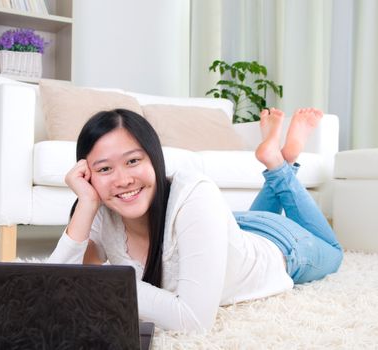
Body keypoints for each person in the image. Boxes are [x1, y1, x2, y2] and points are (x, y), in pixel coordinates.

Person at [48, 107, 343, 332]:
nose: (123, 180)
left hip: (283, 245)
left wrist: (108, 284)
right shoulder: (102, 208)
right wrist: (86, 203)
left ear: (154, 158)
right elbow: (49, 289)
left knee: (334, 253)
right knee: (242, 231)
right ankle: (283, 160)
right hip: (230, 230)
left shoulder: (194, 193)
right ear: (87, 173)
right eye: (104, 169)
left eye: (133, 161)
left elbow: (193, 321)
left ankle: (279, 164)